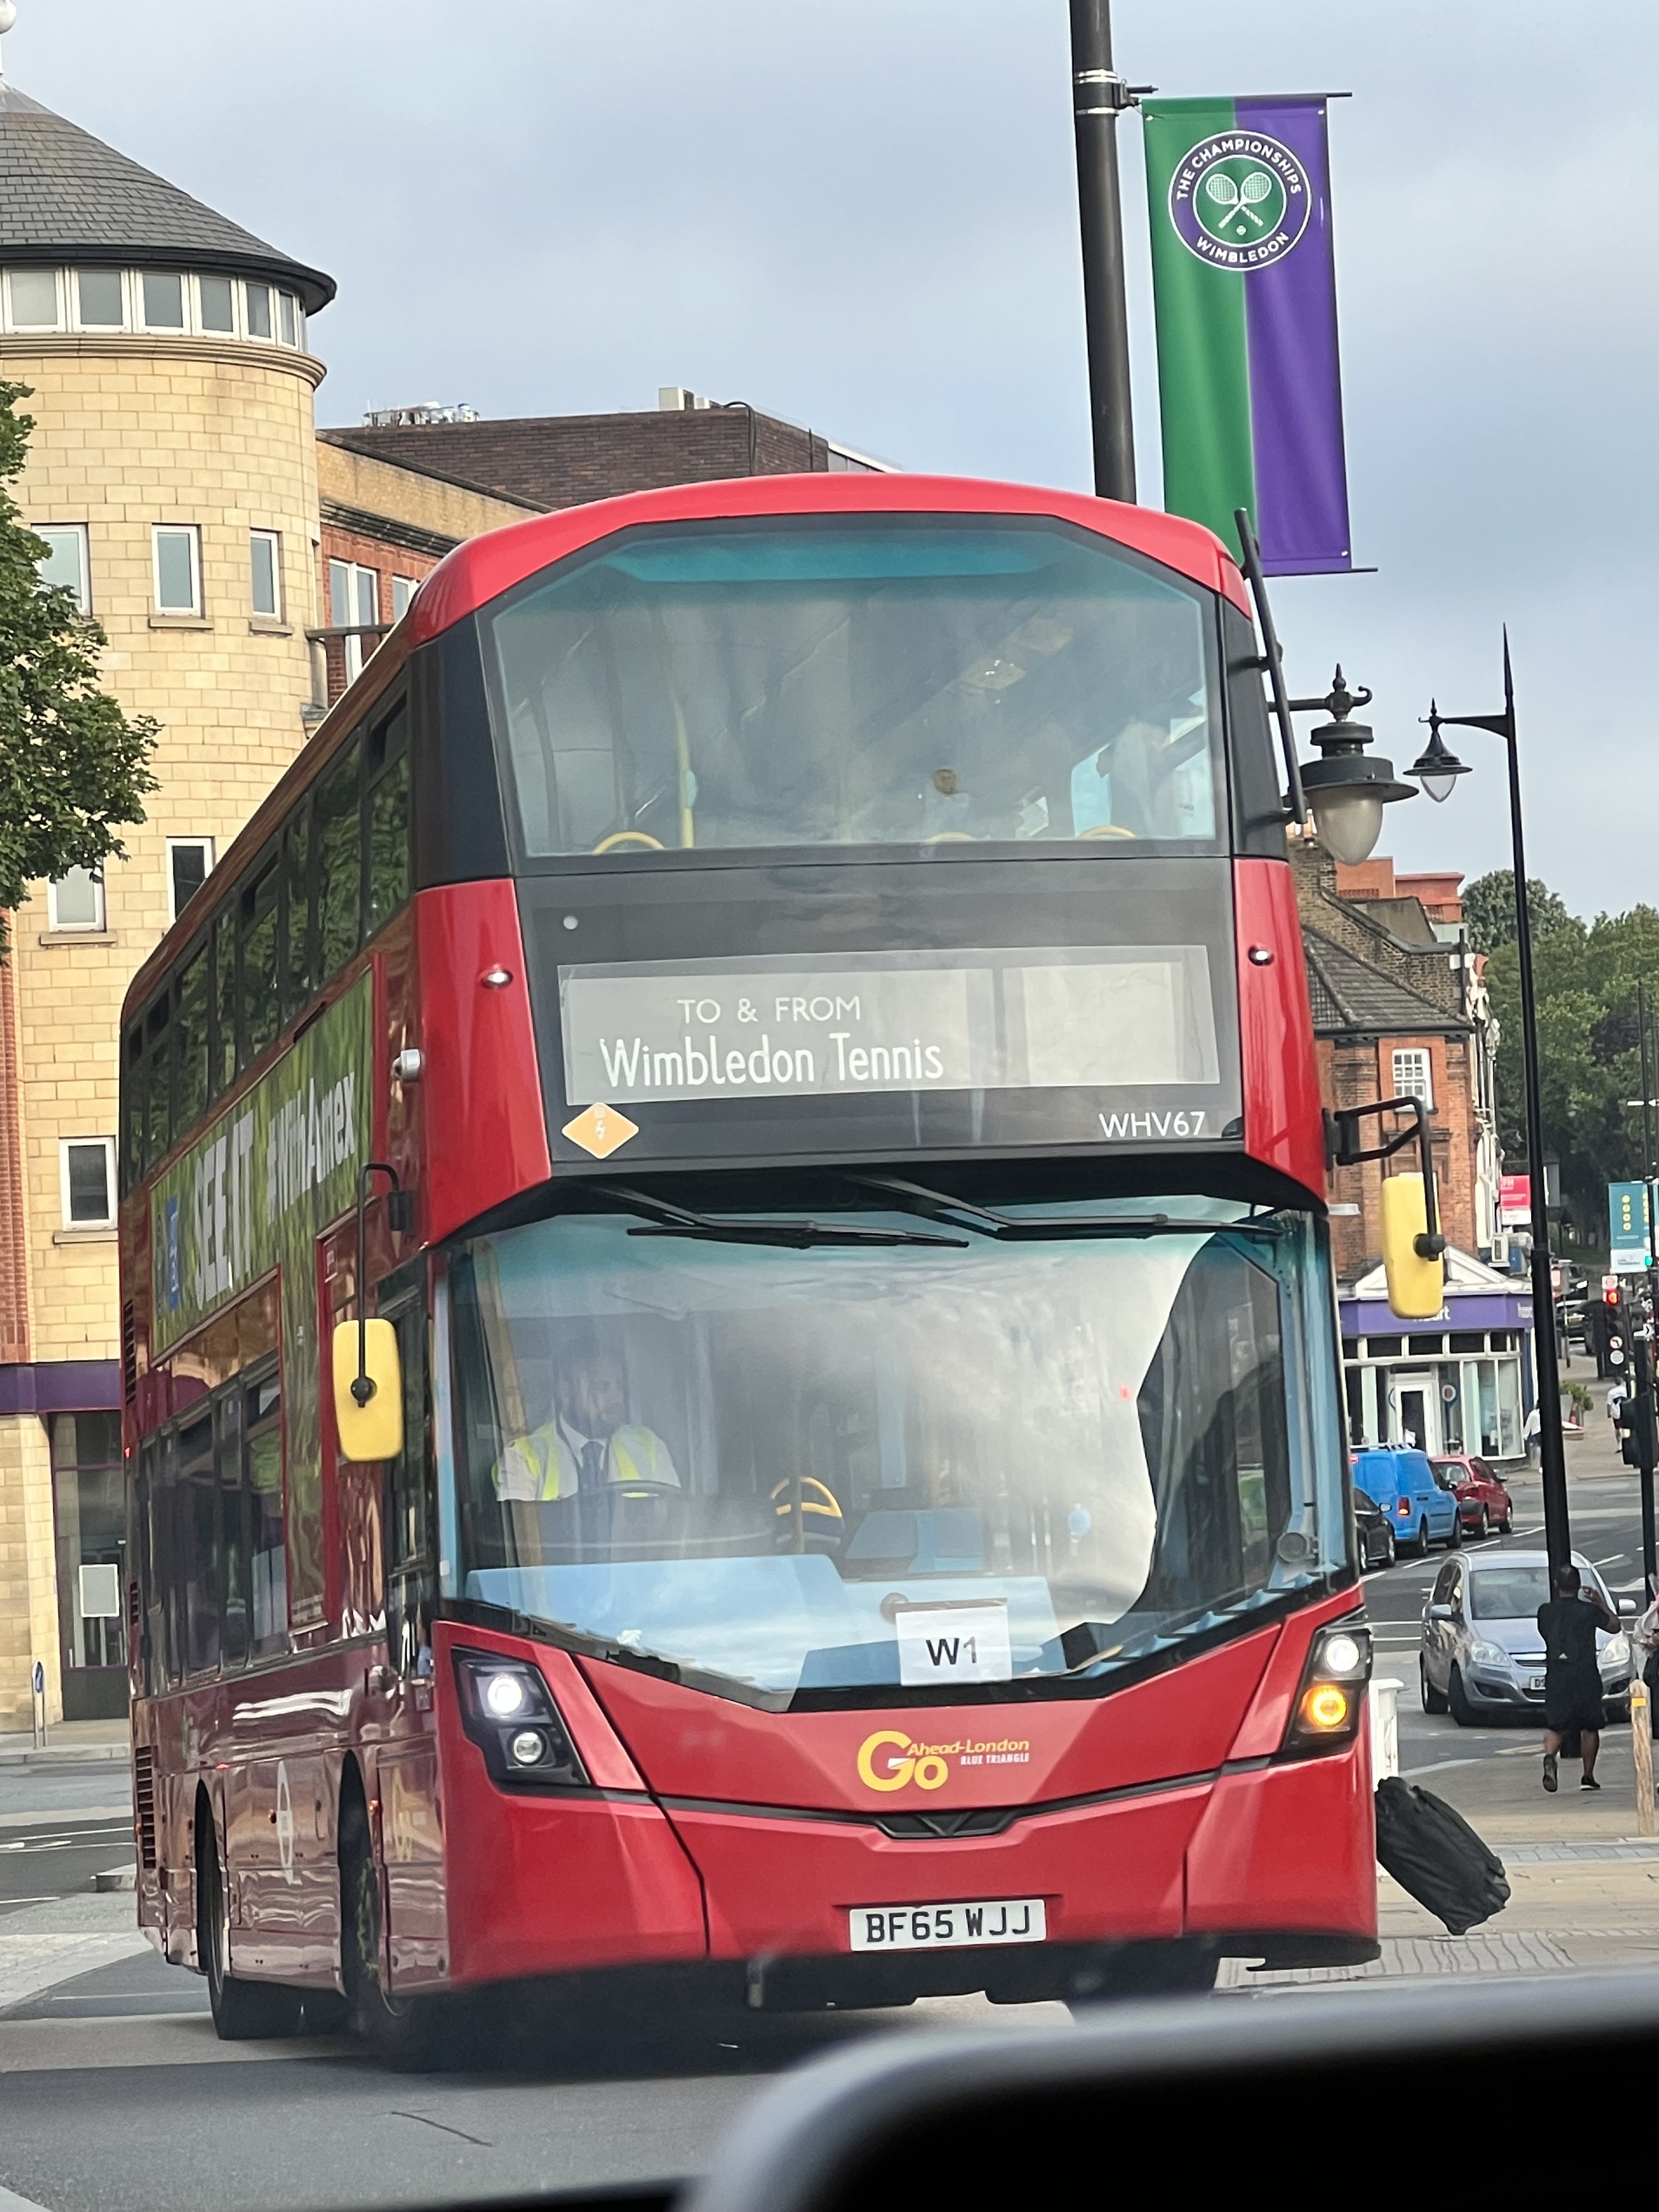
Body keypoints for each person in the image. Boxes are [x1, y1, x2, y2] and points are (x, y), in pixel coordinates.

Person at [493, 1340, 680, 1500]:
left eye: (620, 1386)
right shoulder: (522, 1458)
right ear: (566, 1392)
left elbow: (673, 1517)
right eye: (602, 1387)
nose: (617, 1398)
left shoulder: (649, 1447)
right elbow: (522, 1529)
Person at [1537, 1561, 1617, 1793]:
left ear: (1556, 1584)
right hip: (1585, 1673)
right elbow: (1614, 1627)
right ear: (1579, 1585)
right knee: (1590, 1726)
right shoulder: (1588, 1611)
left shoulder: (1545, 1612)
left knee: (1556, 1724)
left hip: (1557, 1674)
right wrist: (1599, 1603)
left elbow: (1545, 1633)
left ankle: (1550, 1756)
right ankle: (1588, 1775)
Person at [1524, 1402, 1542, 1466]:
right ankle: (1541, 1465)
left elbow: (1528, 1424)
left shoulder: (1534, 1413)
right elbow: (1529, 1424)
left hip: (1538, 1432)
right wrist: (1525, 1434)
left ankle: (1542, 1465)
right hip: (1538, 1432)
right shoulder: (1534, 1413)